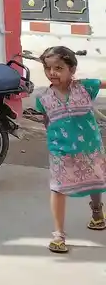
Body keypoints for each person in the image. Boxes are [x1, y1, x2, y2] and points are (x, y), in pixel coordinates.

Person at [34, 46, 106, 253]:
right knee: (58, 188)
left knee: (96, 181)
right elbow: (47, 121)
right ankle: (58, 235)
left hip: (90, 148)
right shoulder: (43, 98)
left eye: (59, 68)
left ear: (72, 69)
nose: (52, 73)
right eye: (48, 68)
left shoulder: (85, 88)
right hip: (61, 151)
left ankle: (97, 213)